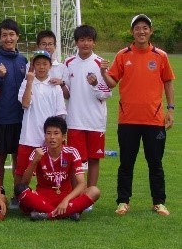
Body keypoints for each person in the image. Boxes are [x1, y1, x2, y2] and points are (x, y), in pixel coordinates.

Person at [101, 14, 175, 216]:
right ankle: (123, 201)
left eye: (145, 28)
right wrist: (102, 72)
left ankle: (158, 202)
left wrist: (170, 109)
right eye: (137, 28)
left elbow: (168, 82)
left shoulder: (161, 56)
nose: (141, 31)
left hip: (154, 119)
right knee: (126, 163)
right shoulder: (123, 55)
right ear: (132, 32)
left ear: (150, 31)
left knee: (155, 163)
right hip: (128, 120)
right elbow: (112, 82)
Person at [16, 116, 101, 221]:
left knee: (94, 191)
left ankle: (47, 215)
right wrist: (34, 162)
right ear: (45, 136)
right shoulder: (37, 153)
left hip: (66, 198)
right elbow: (24, 183)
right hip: (43, 199)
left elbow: (82, 183)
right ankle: (68, 213)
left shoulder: (72, 152)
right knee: (19, 189)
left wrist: (66, 200)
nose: (52, 137)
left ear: (64, 136)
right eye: (48, 133)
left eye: (56, 133)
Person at [0, 18, 28, 208]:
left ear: (18, 37)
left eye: (11, 34)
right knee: (0, 156)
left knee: (19, 158)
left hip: (21, 117)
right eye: (4, 35)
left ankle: (18, 195)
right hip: (1, 117)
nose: (8, 38)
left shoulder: (24, 60)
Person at [64, 25, 111, 193]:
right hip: (75, 120)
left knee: (93, 159)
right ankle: (74, 193)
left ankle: (90, 195)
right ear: (76, 42)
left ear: (94, 43)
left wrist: (95, 84)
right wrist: (61, 84)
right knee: (74, 160)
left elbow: (107, 93)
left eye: (89, 40)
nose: (85, 44)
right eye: (82, 40)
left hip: (95, 121)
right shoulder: (69, 63)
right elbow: (67, 94)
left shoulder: (101, 64)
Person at [14, 50, 67, 198]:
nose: (41, 67)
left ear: (50, 65)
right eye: (38, 64)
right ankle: (18, 197)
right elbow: (25, 103)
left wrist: (58, 136)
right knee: (21, 170)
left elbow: (60, 114)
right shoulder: (26, 83)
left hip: (49, 138)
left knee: (50, 170)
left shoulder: (55, 86)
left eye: (45, 64)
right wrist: (30, 81)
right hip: (29, 136)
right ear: (33, 65)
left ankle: (52, 195)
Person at [36, 30, 69, 98]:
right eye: (44, 44)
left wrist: (61, 84)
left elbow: (67, 96)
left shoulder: (62, 67)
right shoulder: (31, 66)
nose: (47, 47)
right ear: (38, 46)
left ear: (55, 46)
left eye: (50, 44)